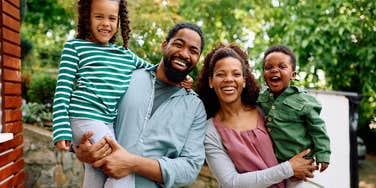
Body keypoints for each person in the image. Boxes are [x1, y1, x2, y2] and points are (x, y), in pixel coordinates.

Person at [73, 22, 207, 188]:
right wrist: (80, 147)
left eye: (193, 51)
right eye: (178, 44)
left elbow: (190, 168)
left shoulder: (196, 109)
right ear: (164, 45)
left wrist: (132, 163)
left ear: (197, 59)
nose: (184, 54)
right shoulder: (126, 77)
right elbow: (93, 110)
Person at [196, 43, 318, 188]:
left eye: (236, 74)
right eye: (221, 74)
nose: (229, 79)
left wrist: (299, 167)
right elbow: (231, 182)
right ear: (211, 81)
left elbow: (297, 150)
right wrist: (288, 169)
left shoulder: (265, 109)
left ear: (244, 81)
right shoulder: (210, 131)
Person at [257, 44, 331, 187]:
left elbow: (318, 128)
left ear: (293, 75)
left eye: (282, 66)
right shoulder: (261, 98)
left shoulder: (304, 100)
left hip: (299, 161)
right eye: (268, 67)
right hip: (274, 163)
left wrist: (323, 154)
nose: (274, 70)